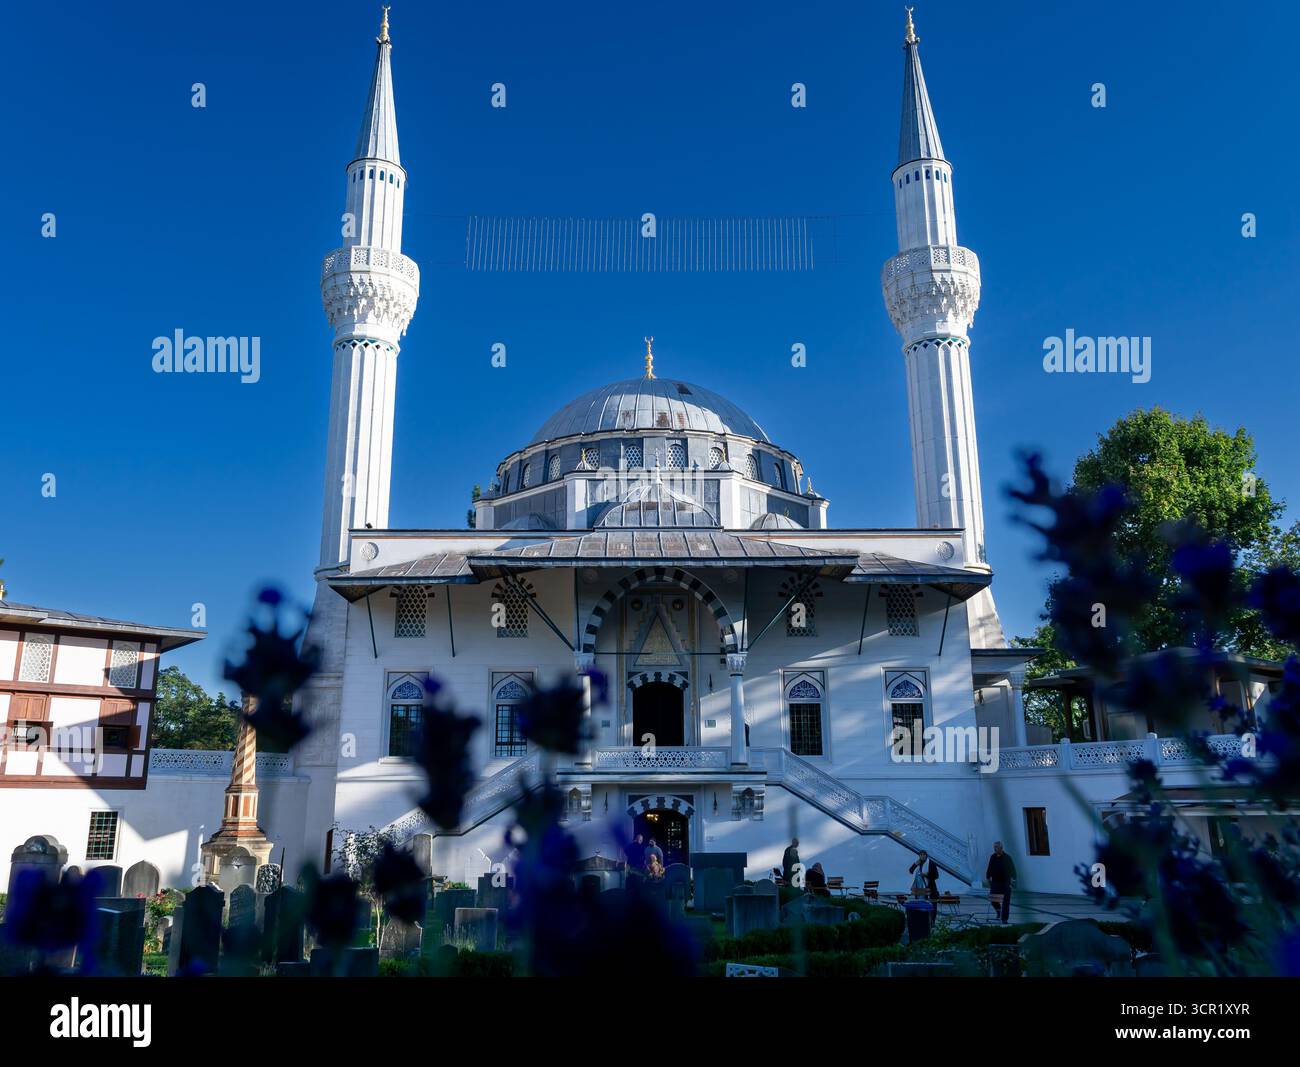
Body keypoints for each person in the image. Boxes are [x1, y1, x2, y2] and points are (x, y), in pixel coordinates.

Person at [986, 841, 1017, 923]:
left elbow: (1013, 869)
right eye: (994, 847)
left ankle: (1004, 919)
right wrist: (988, 877)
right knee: (993, 900)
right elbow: (990, 867)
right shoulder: (993, 857)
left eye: (996, 847)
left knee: (1006, 902)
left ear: (1001, 848)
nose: (995, 849)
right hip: (995, 882)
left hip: (1005, 883)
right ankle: (999, 911)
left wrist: (1014, 880)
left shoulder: (1007, 857)